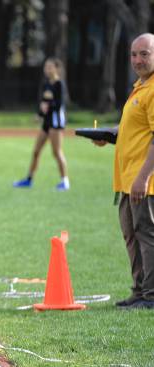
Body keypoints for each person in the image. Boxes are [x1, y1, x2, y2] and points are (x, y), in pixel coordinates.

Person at [92, 33, 154, 309]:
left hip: (143, 181)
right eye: (134, 54)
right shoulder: (140, 86)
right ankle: (139, 292)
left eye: (145, 53)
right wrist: (110, 134)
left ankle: (151, 296)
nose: (138, 60)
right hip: (127, 180)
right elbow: (135, 130)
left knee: (147, 236)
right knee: (132, 236)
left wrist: (144, 177)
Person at [13, 57, 70, 191]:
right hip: (47, 122)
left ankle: (65, 182)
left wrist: (48, 107)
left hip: (56, 123)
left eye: (50, 67)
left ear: (57, 68)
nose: (47, 69)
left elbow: (59, 104)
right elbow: (43, 103)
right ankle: (29, 179)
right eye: (46, 67)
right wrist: (39, 114)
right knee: (36, 151)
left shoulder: (59, 84)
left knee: (56, 152)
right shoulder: (46, 84)